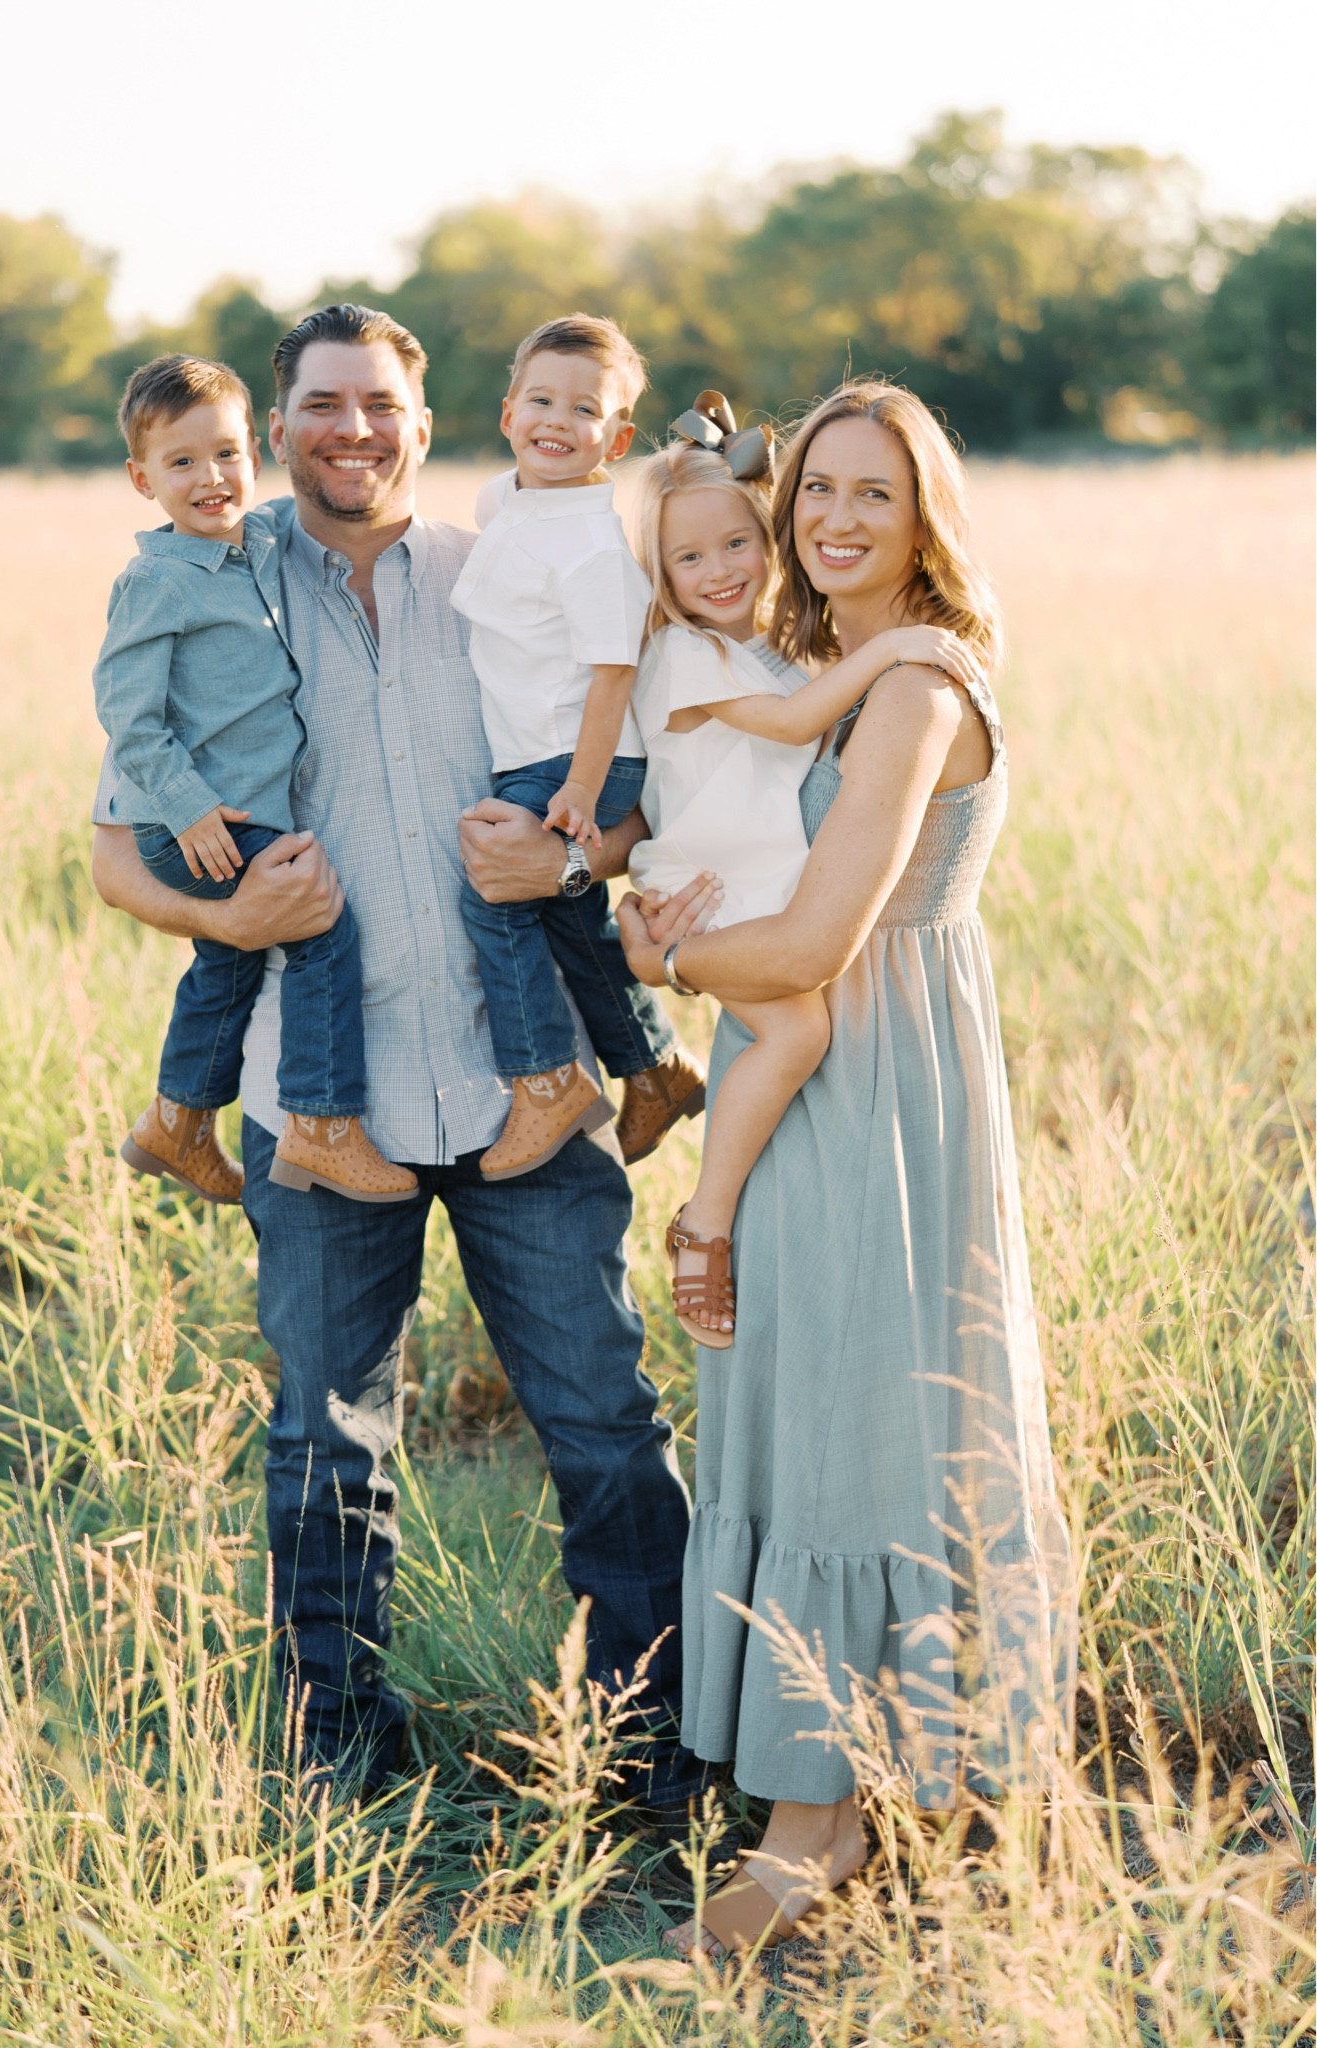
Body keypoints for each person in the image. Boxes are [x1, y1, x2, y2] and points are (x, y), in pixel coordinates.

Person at [90, 303, 704, 1811]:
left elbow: (631, 798)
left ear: (430, 425)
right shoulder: (213, 585)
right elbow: (118, 855)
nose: (351, 431)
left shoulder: (505, 574)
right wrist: (229, 905)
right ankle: (344, 1760)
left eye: (380, 405)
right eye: (320, 406)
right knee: (321, 1442)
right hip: (320, 1104)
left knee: (605, 1427)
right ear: (275, 426)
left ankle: (652, 1749)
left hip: (525, 1087)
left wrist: (569, 870)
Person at [618, 379, 1076, 1956]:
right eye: (814, 490)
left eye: (871, 492)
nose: (833, 519)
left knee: (852, 1418)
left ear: (925, 509)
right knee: (804, 1403)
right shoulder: (820, 662)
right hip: (809, 1064)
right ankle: (859, 1793)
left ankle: (814, 1836)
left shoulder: (916, 692)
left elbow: (818, 939)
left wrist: (678, 972)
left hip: (877, 1080)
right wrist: (651, 916)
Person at [626, 396, 984, 1348]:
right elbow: (791, 732)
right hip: (712, 879)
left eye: (874, 492)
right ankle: (703, 1220)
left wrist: (656, 965)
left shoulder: (821, 663)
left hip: (792, 929)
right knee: (793, 1031)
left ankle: (703, 1211)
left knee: (794, 1030)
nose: (715, 572)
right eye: (818, 488)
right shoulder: (694, 654)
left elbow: (805, 735)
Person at [95, 354, 416, 1208]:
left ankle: (178, 1121)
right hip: (199, 820)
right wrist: (187, 807)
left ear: (258, 453)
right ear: (142, 479)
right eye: (182, 463)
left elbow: (337, 498)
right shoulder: (156, 582)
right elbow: (128, 716)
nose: (211, 478)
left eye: (228, 454)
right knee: (318, 923)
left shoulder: (264, 538)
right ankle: (321, 1121)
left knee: (230, 962)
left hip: (240, 816)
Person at [449, 315, 705, 1181]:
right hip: (543, 749)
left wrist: (581, 791)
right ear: (508, 411)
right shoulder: (508, 501)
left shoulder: (594, 546)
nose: (557, 421)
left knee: (494, 887)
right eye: (540, 400)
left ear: (617, 436)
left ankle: (547, 1082)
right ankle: (655, 1068)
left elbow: (612, 678)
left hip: (574, 754)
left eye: (584, 409)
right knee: (567, 916)